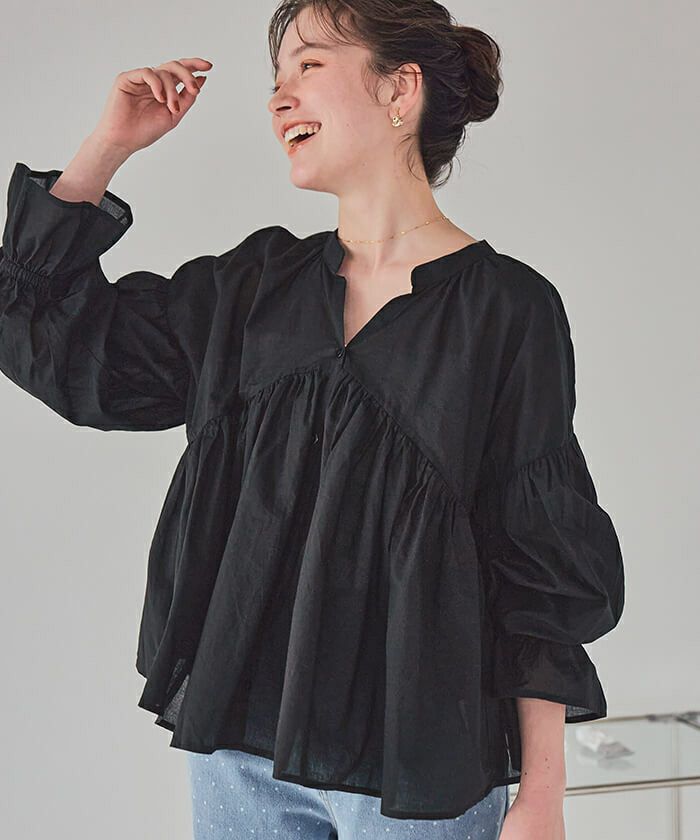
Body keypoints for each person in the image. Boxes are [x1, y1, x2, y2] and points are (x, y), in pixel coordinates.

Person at [0, 1, 625, 838]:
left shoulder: (505, 310)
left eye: (310, 65)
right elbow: (60, 349)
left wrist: (541, 794)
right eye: (276, 79)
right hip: (238, 751)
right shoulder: (251, 289)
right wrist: (107, 147)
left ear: (400, 89)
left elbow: (539, 558)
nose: (279, 97)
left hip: (420, 762)